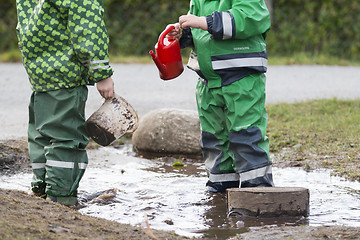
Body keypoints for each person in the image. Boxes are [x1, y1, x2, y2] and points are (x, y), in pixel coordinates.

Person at [167, 0, 274, 193]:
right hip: (208, 81)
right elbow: (197, 30)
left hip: (242, 78)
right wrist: (183, 34)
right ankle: (221, 183)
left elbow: (249, 18)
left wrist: (205, 22)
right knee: (213, 136)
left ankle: (257, 187)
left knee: (245, 132)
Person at [16, 0, 114, 206]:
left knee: (42, 134)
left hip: (41, 72)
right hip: (66, 73)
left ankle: (41, 189)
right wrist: (101, 73)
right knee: (66, 138)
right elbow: (87, 27)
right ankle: (61, 198)